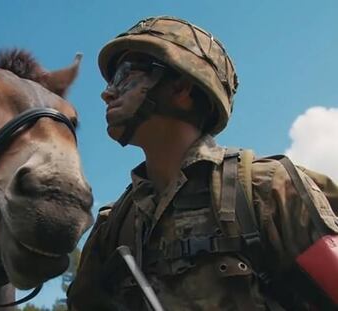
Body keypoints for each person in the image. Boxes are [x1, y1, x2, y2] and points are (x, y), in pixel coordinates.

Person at [67, 16, 338, 310]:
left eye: (125, 76)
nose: (107, 92)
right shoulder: (115, 226)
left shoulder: (267, 189)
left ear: (181, 88)